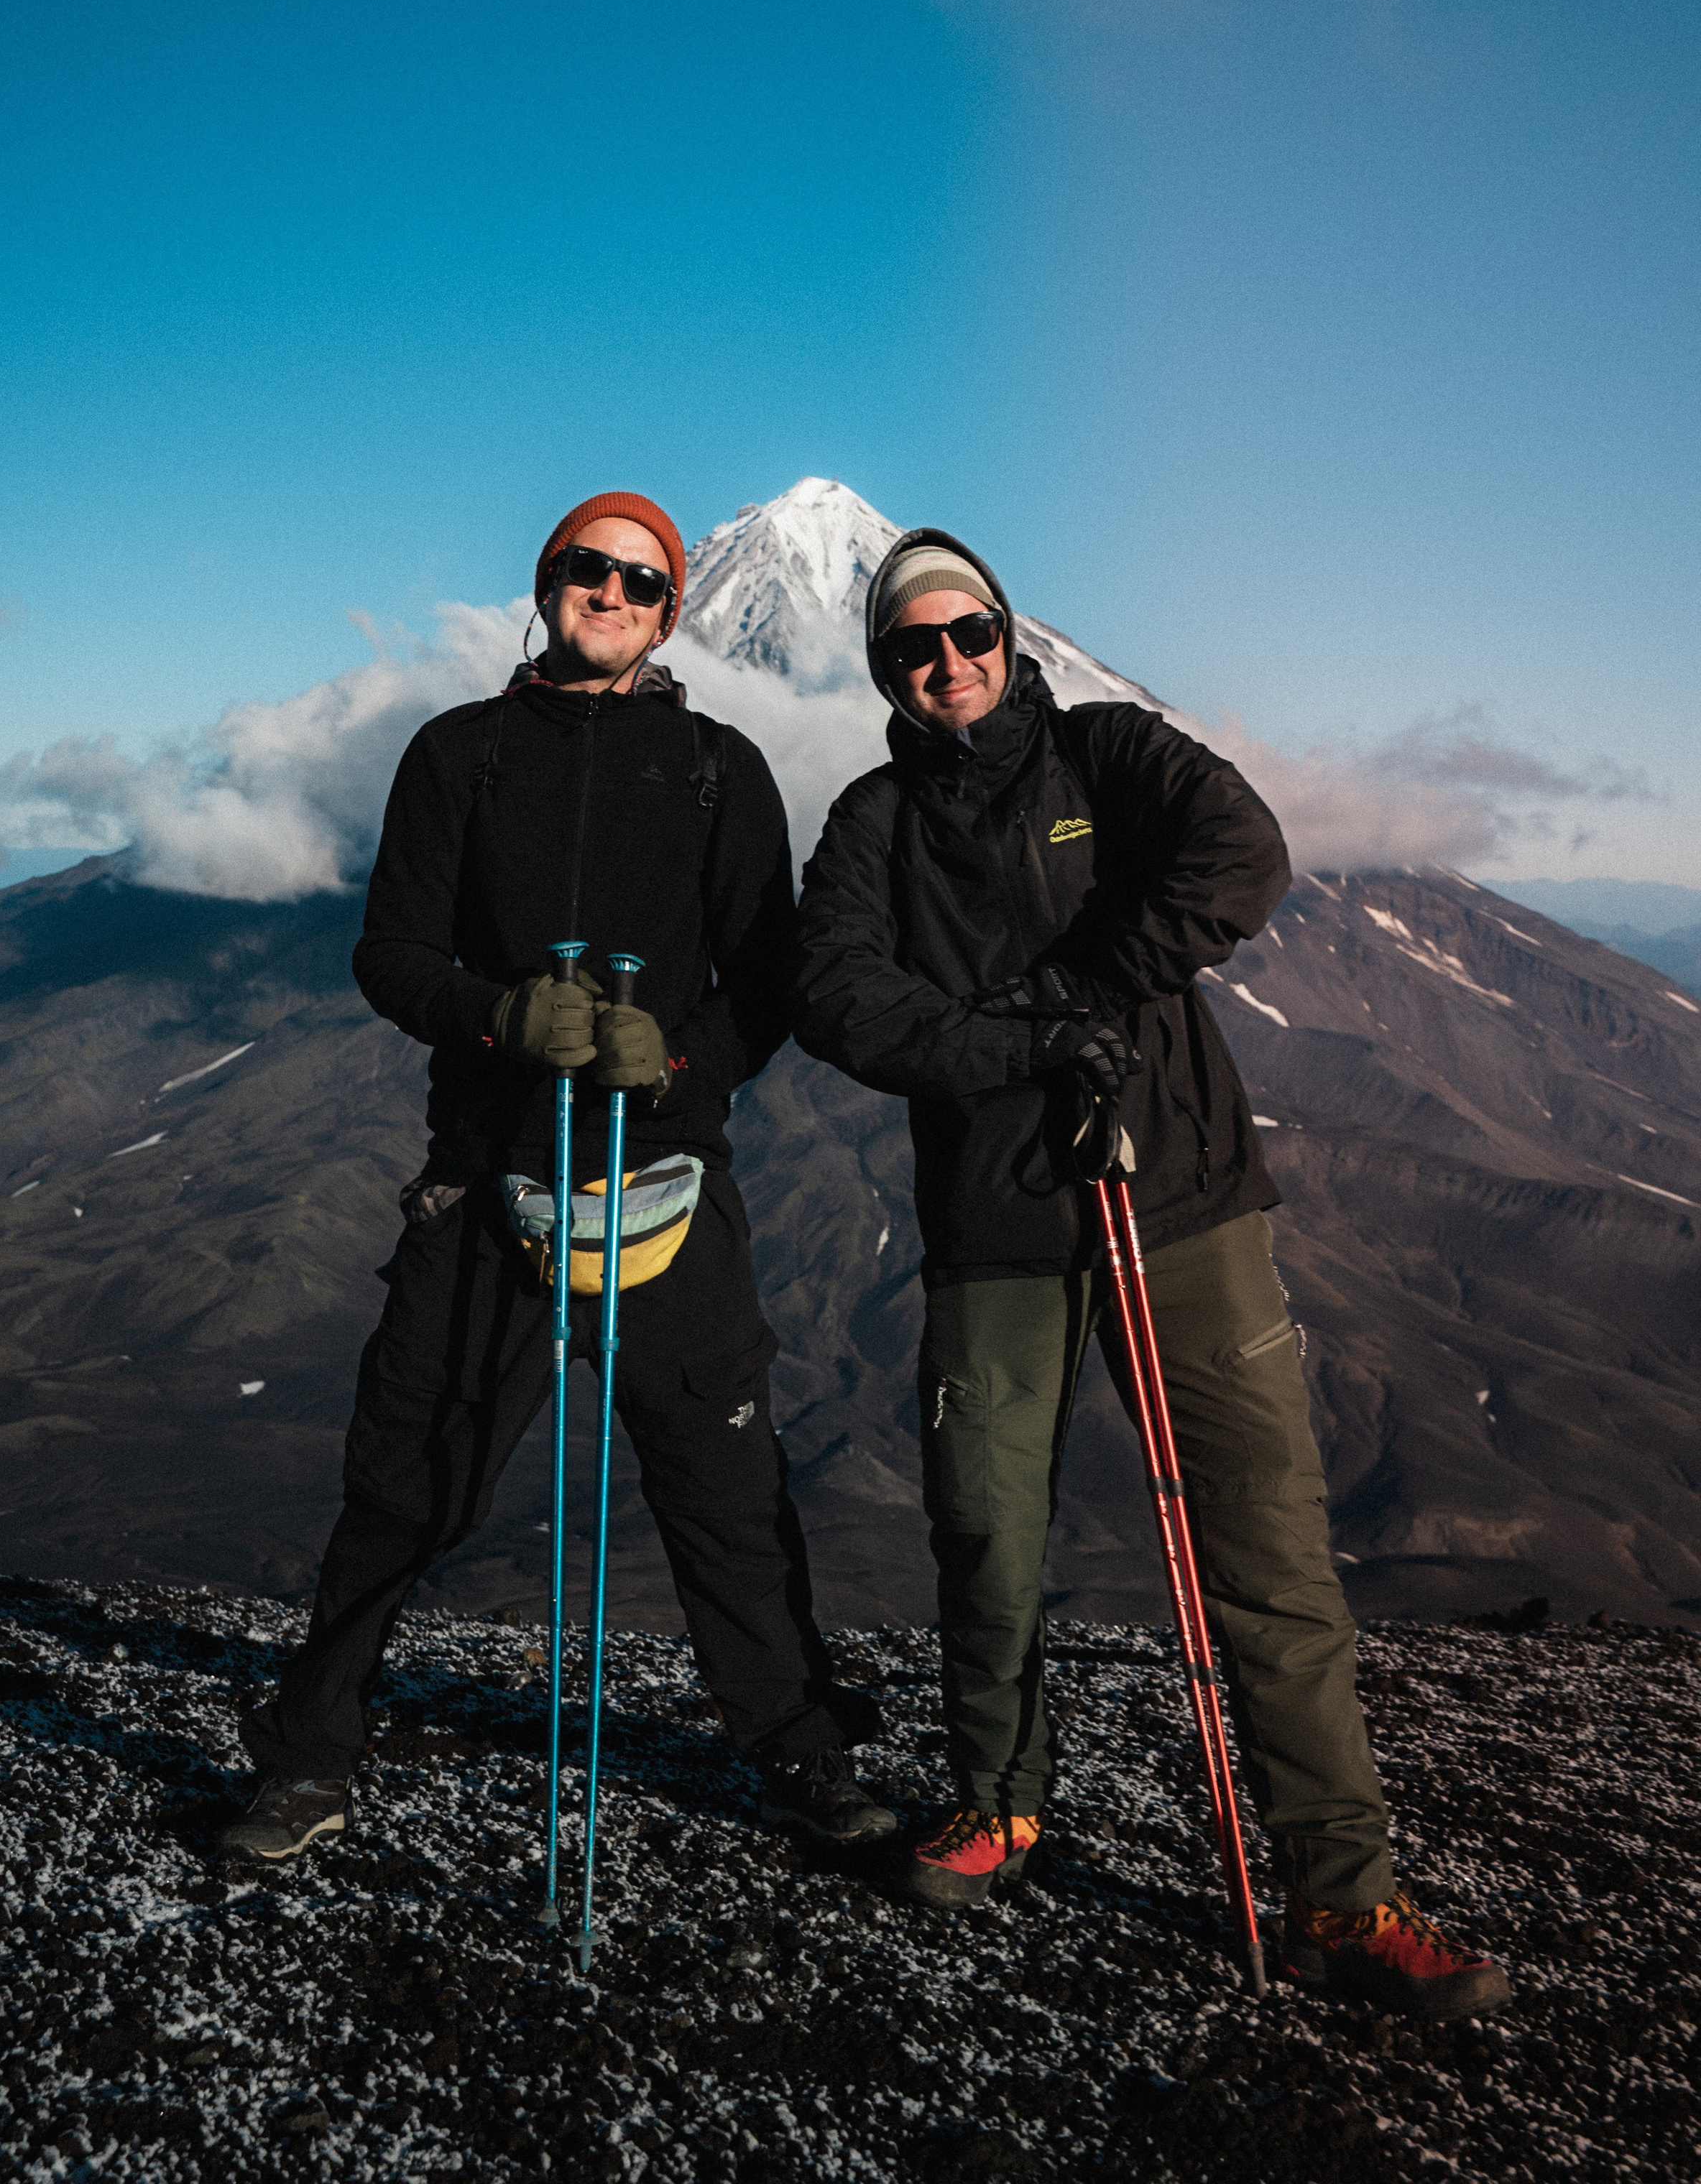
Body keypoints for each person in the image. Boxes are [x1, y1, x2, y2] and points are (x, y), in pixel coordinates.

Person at [791, 526, 1512, 2019]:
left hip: (1176, 1202)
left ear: (1008, 631)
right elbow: (836, 1000)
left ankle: (1339, 1890)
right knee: (983, 1532)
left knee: (1266, 1546)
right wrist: (1026, 1042)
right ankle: (999, 1803)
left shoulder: (1108, 755)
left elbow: (1241, 855)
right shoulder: (870, 825)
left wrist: (1088, 982)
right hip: (995, 1228)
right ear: (882, 670)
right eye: (910, 647)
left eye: (967, 631)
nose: (946, 663)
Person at [223, 491, 893, 1864]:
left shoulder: (723, 771)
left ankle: (801, 1750)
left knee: (722, 1487)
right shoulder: (455, 759)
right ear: (547, 584)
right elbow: (389, 954)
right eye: (589, 569)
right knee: (413, 1476)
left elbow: (768, 988)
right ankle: (307, 1751)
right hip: (487, 1176)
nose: (612, 593)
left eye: (643, 583)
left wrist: (683, 1063)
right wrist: (497, 1017)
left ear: (672, 612)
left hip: (666, 1183)